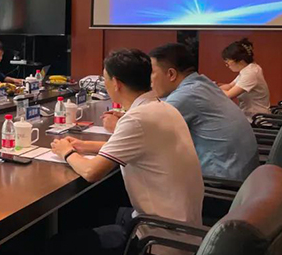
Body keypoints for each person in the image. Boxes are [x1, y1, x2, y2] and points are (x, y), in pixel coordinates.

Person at [46, 49, 203, 255]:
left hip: (159, 238)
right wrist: (84, 146)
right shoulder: (163, 108)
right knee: (89, 210)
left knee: (57, 244)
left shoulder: (137, 119)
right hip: (184, 227)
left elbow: (92, 172)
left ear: (116, 83)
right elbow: (143, 148)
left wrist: (66, 152)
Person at [146, 43, 258, 180]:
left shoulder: (187, 95)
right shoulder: (202, 84)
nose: (149, 80)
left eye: (152, 73)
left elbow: (145, 133)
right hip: (244, 172)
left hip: (222, 181)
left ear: (171, 74)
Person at [219, 38, 270, 121]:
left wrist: (210, 89)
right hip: (248, 117)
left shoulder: (251, 73)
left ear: (240, 61)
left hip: (256, 120)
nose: (227, 65)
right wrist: (212, 86)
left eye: (227, 62)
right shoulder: (247, 70)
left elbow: (229, 95)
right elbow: (230, 86)